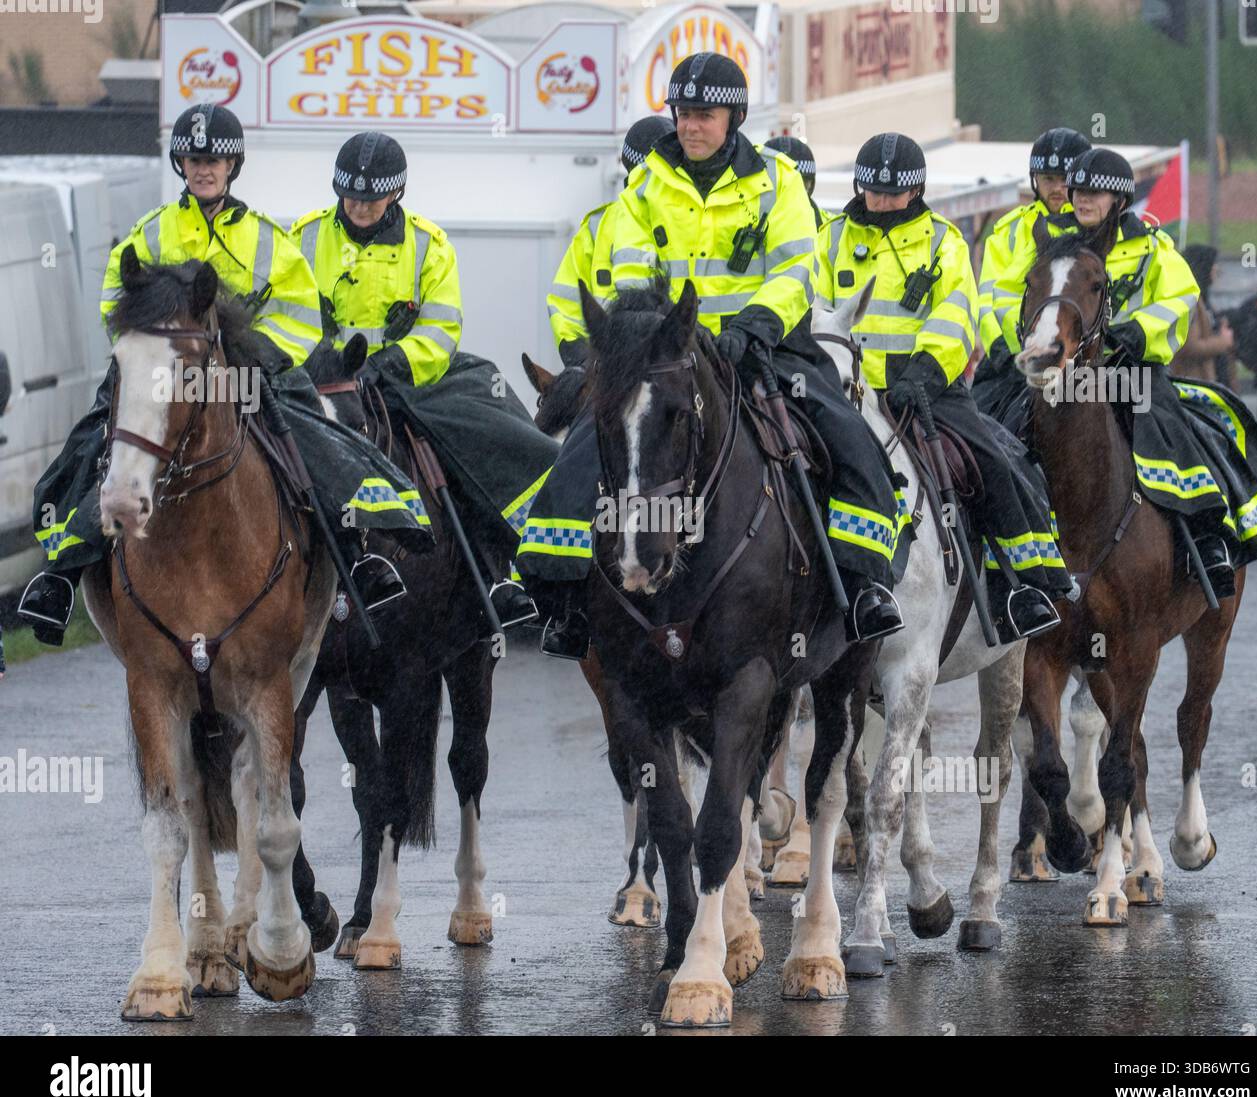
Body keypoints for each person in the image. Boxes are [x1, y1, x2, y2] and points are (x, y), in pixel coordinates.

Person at [517, 52, 905, 659]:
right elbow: (628, 271)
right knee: (583, 450)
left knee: (849, 436)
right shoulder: (646, 183)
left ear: (736, 117)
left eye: (704, 114)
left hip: (763, 352)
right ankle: (559, 597)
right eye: (682, 114)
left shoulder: (776, 181)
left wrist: (752, 327)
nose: (690, 125)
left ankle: (863, 586)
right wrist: (670, 336)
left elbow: (799, 269)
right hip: (668, 355)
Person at [18, 104, 424, 644]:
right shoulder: (150, 231)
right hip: (164, 377)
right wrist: (151, 359)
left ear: (233, 167)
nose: (203, 169)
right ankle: (60, 575)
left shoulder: (267, 238)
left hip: (247, 379)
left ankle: (361, 557)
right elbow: (116, 301)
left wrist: (245, 357)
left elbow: (301, 314)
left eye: (214, 160)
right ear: (179, 165)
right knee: (95, 441)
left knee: (314, 437)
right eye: (193, 160)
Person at [292, 131, 558, 628]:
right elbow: (286, 314)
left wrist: (390, 363)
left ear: (396, 194)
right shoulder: (303, 236)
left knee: (485, 410)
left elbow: (441, 327)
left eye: (371, 199)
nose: (360, 207)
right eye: (350, 197)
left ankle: (503, 568)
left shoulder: (429, 244)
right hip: (323, 379)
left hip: (406, 379)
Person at [816, 132, 1069, 644]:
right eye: (873, 192)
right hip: (846, 389)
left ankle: (1025, 586)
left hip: (925, 388)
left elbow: (957, 313)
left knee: (995, 463)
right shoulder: (832, 237)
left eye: (893, 194)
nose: (882, 202)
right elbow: (815, 306)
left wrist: (925, 371)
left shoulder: (944, 240)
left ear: (917, 191)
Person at [1069, 148, 1257, 596]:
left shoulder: (1155, 248)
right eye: (1078, 191)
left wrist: (1138, 333)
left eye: (1094, 193)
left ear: (1120, 201)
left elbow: (1182, 298)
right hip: (1072, 378)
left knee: (1174, 434)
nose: (1083, 200)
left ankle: (1208, 533)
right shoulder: (1059, 249)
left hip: (1135, 373)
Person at [973, 127, 1091, 421]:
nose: (1057, 188)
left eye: (1066, 179)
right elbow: (987, 300)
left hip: (1087, 363)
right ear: (1034, 181)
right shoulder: (1007, 232)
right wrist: (1007, 347)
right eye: (1048, 179)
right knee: (978, 430)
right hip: (1016, 362)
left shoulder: (1099, 230)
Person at [547, 115, 677, 369]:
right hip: (612, 371)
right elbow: (567, 302)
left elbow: (565, 303)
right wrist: (584, 359)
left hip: (671, 367)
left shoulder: (597, 225)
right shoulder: (597, 227)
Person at [1171, 244, 1236, 387]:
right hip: (1194, 385)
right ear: (1203, 267)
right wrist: (1223, 342)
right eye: (1213, 264)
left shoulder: (1202, 298)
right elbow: (1189, 347)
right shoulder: (1189, 300)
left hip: (1208, 382)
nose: (1216, 269)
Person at [763, 134, 835, 228]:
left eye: (799, 182)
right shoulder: (742, 221)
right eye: (779, 183)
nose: (788, 190)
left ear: (810, 185)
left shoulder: (831, 229)